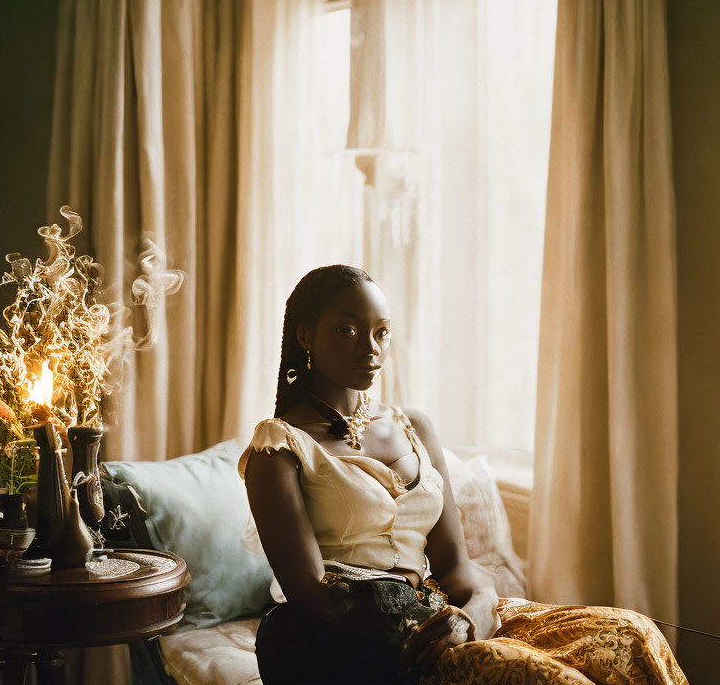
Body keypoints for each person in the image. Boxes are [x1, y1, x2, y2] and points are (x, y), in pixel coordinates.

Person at [240, 265, 689, 685]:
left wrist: (470, 617)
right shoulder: (278, 447)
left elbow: (457, 568)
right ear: (305, 336)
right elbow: (312, 596)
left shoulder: (413, 428)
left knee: (633, 632)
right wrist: (428, 634)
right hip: (360, 637)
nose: (369, 348)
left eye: (381, 333)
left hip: (445, 612)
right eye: (347, 330)